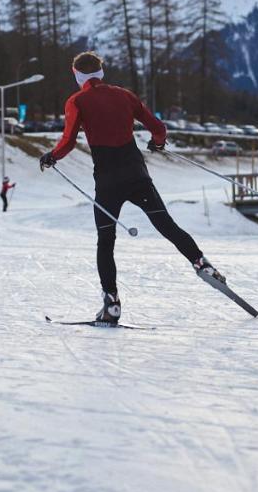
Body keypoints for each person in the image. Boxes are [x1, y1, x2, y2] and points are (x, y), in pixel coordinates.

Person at [39, 51, 223, 326]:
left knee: (106, 240)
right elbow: (158, 127)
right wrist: (158, 143)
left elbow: (68, 141)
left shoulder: (77, 101)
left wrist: (51, 156)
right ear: (102, 72)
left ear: (76, 74)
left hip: (108, 181)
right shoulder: (124, 95)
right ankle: (202, 263)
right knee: (166, 225)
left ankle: (111, 303)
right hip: (137, 175)